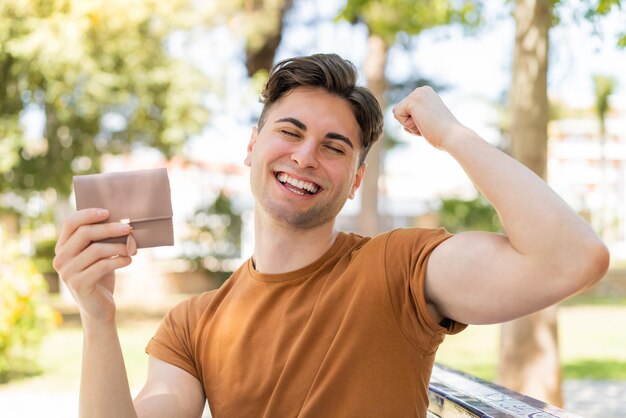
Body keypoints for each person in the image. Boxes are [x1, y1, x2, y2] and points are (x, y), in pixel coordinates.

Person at [53, 53, 609, 418]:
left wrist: (453, 135)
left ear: (356, 179)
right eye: (289, 132)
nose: (305, 156)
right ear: (252, 147)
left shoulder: (402, 268)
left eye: (334, 146)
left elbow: (572, 258)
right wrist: (98, 319)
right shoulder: (192, 323)